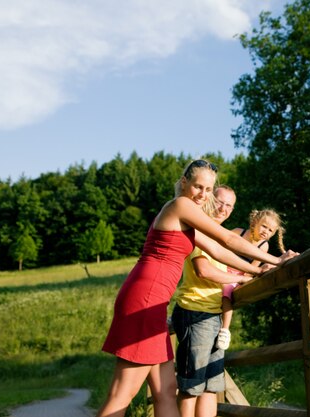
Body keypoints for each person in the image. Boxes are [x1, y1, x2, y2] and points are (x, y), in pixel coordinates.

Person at [97, 159, 297, 417]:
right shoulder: (180, 206)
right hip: (144, 300)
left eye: (208, 189)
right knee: (122, 395)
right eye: (198, 187)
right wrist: (277, 260)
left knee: (166, 391)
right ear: (184, 183)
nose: (203, 195)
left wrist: (258, 269)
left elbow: (217, 250)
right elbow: (227, 238)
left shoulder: (187, 220)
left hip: (155, 304)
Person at [171, 181, 242, 417]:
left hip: (213, 315)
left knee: (211, 386)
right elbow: (204, 271)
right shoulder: (198, 231)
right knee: (192, 387)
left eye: (229, 206)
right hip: (196, 311)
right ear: (210, 201)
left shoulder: (216, 237)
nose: (223, 209)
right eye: (220, 202)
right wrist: (242, 279)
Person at [216, 209, 286, 350]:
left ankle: (225, 330)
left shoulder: (263, 246)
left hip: (236, 275)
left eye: (270, 230)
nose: (266, 231)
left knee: (226, 293)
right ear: (254, 223)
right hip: (221, 266)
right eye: (264, 226)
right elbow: (219, 245)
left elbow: (251, 269)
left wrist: (240, 280)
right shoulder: (238, 232)